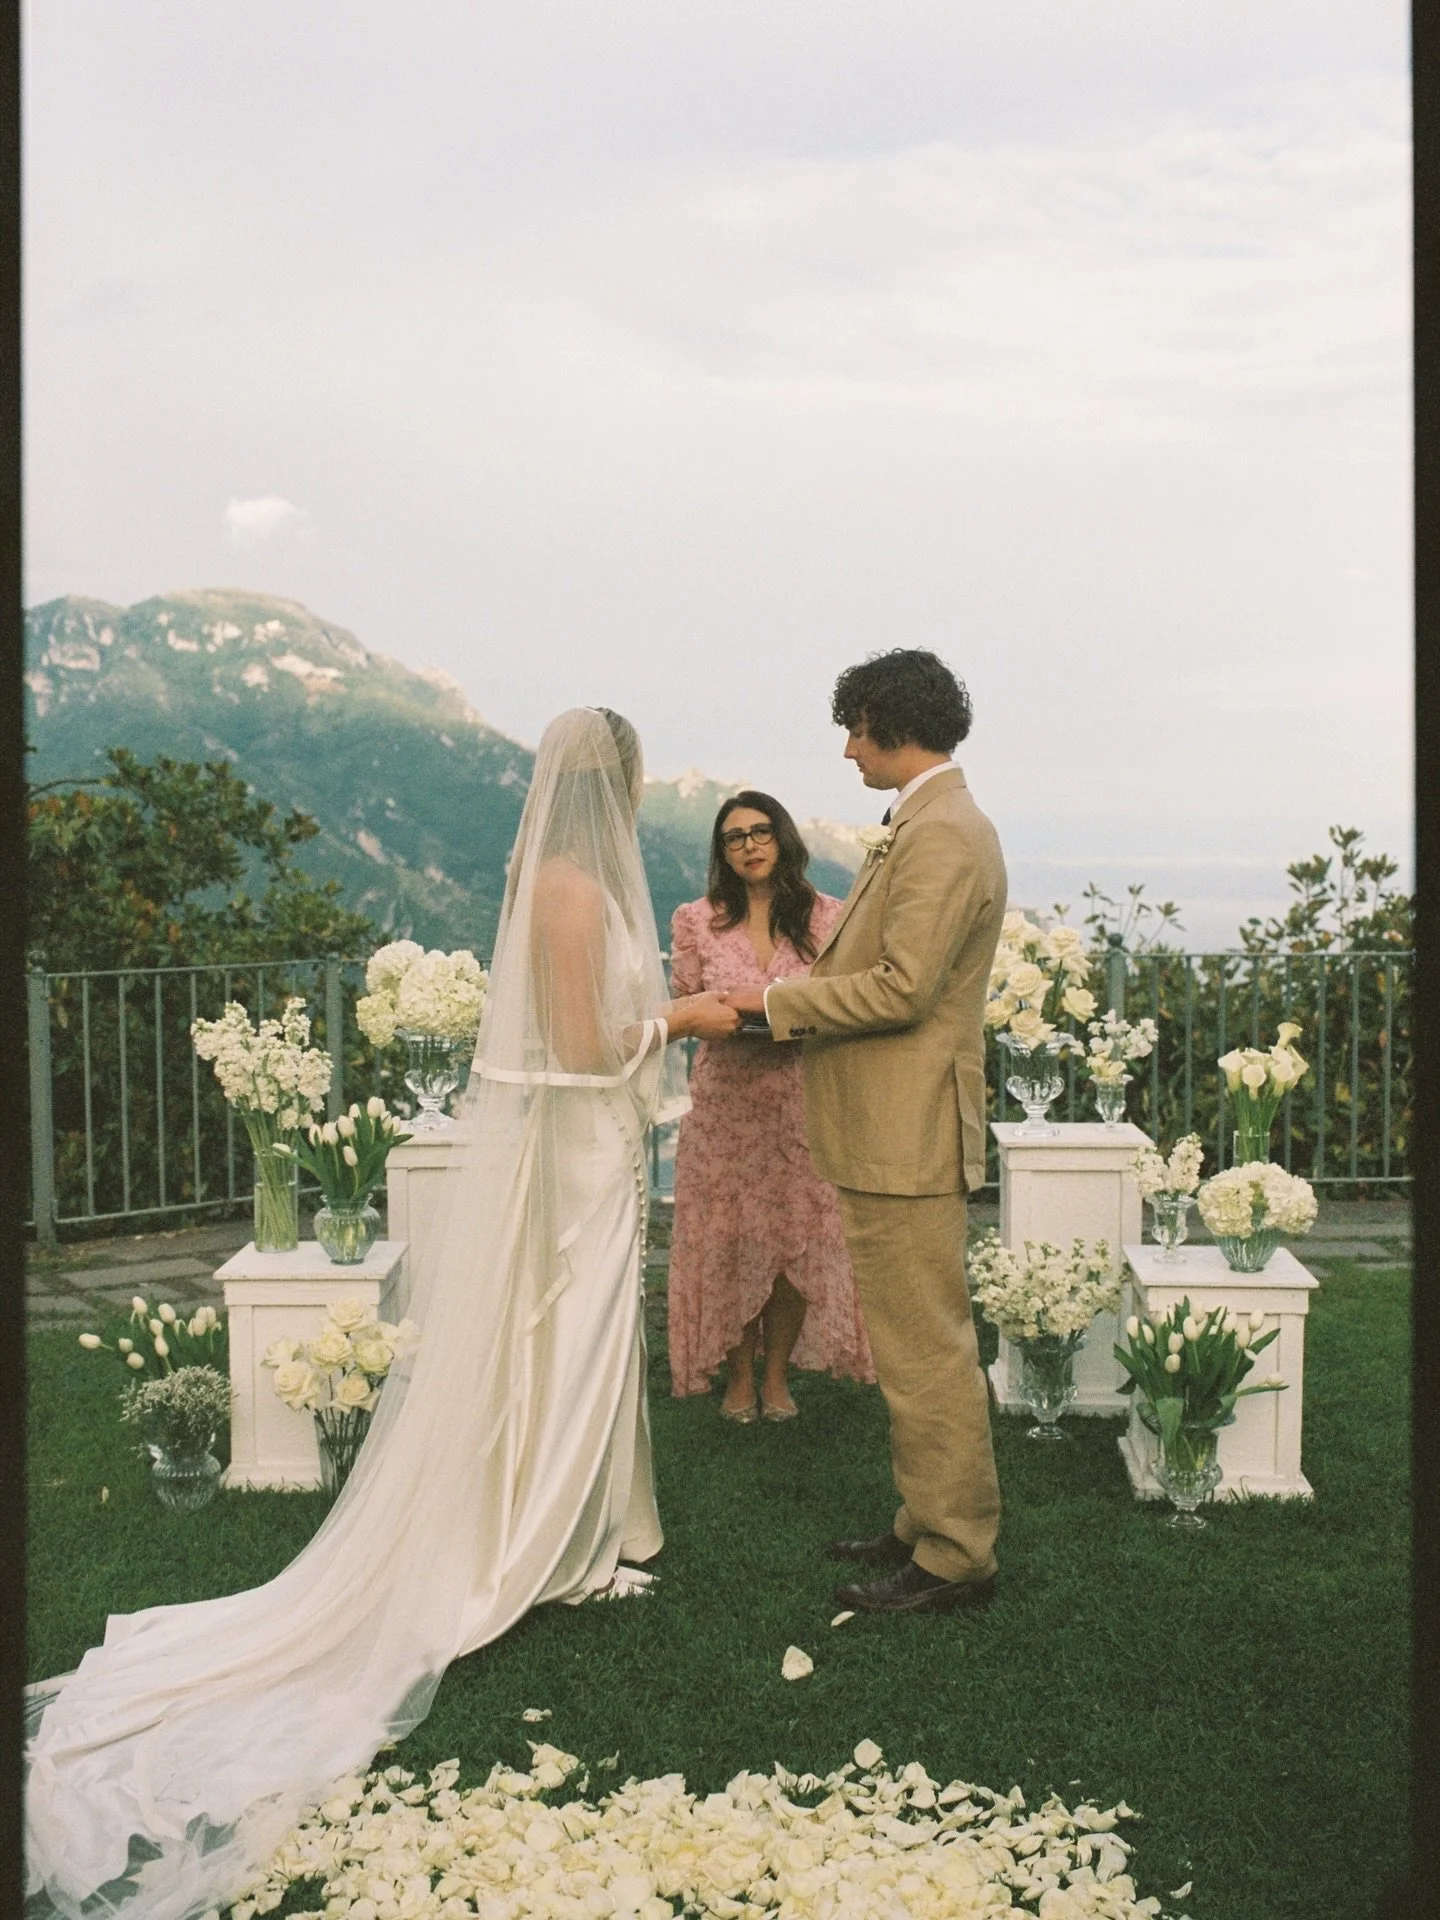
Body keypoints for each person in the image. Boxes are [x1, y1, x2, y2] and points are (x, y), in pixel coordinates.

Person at [24, 708, 741, 1920]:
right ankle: (547, 1550)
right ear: (608, 784)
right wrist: (682, 1021)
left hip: (594, 1147)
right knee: (568, 1342)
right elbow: (579, 1041)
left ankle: (574, 1529)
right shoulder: (571, 889)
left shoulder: (561, 881)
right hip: (575, 1156)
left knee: (580, 1344)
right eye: (631, 777)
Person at [723, 650, 1007, 1617]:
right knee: (909, 1342)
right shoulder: (924, 824)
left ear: (893, 723)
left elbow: (903, 988)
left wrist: (769, 1002)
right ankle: (922, 1519)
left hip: (909, 1132)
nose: (846, 750)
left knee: (927, 1348)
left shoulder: (945, 835)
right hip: (888, 1131)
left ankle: (956, 1555)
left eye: (854, 729)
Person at [666, 791, 875, 1421]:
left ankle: (777, 1375)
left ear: (782, 838)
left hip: (798, 1099)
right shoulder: (694, 919)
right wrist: (713, 1020)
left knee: (792, 1241)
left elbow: (839, 1001)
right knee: (729, 1241)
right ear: (722, 852)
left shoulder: (829, 917)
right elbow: (684, 1006)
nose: (750, 845)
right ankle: (736, 1378)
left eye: (760, 832)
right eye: (735, 837)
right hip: (726, 1103)